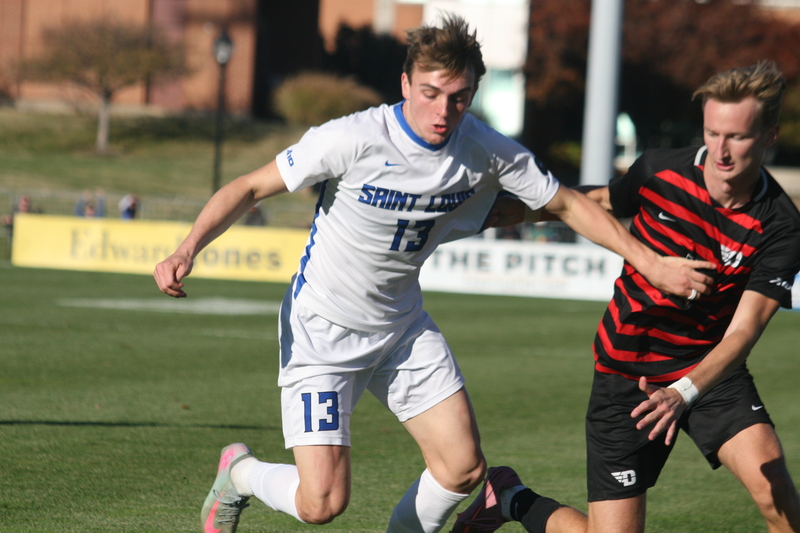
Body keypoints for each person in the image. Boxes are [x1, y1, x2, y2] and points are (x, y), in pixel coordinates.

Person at [153, 15, 713, 533]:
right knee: (322, 504)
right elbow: (250, 186)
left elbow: (565, 203)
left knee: (464, 468)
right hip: (322, 331)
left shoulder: (484, 150)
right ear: (405, 85)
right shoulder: (352, 138)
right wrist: (188, 247)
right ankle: (242, 473)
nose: (443, 110)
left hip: (400, 327)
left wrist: (651, 261)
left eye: (459, 97)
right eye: (430, 93)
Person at [452, 60, 800, 533]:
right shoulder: (660, 171)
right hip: (625, 375)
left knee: (774, 482)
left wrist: (684, 392)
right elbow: (592, 203)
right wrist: (507, 213)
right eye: (712, 133)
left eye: (736, 137)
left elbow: (743, 332)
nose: (720, 150)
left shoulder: (779, 223)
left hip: (710, 371)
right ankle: (512, 499)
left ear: (769, 136)